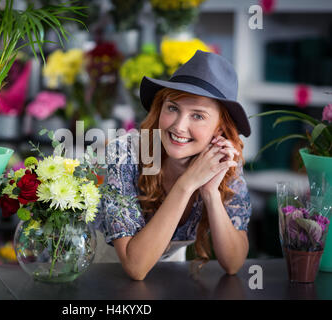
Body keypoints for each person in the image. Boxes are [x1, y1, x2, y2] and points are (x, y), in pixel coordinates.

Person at [95, 50, 252, 280]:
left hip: (167, 278)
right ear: (161, 107)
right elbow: (135, 266)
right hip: (105, 274)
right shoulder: (124, 154)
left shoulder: (222, 162)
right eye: (173, 108)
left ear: (219, 128)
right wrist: (187, 184)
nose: (179, 126)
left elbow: (233, 263)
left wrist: (210, 193)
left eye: (197, 116)